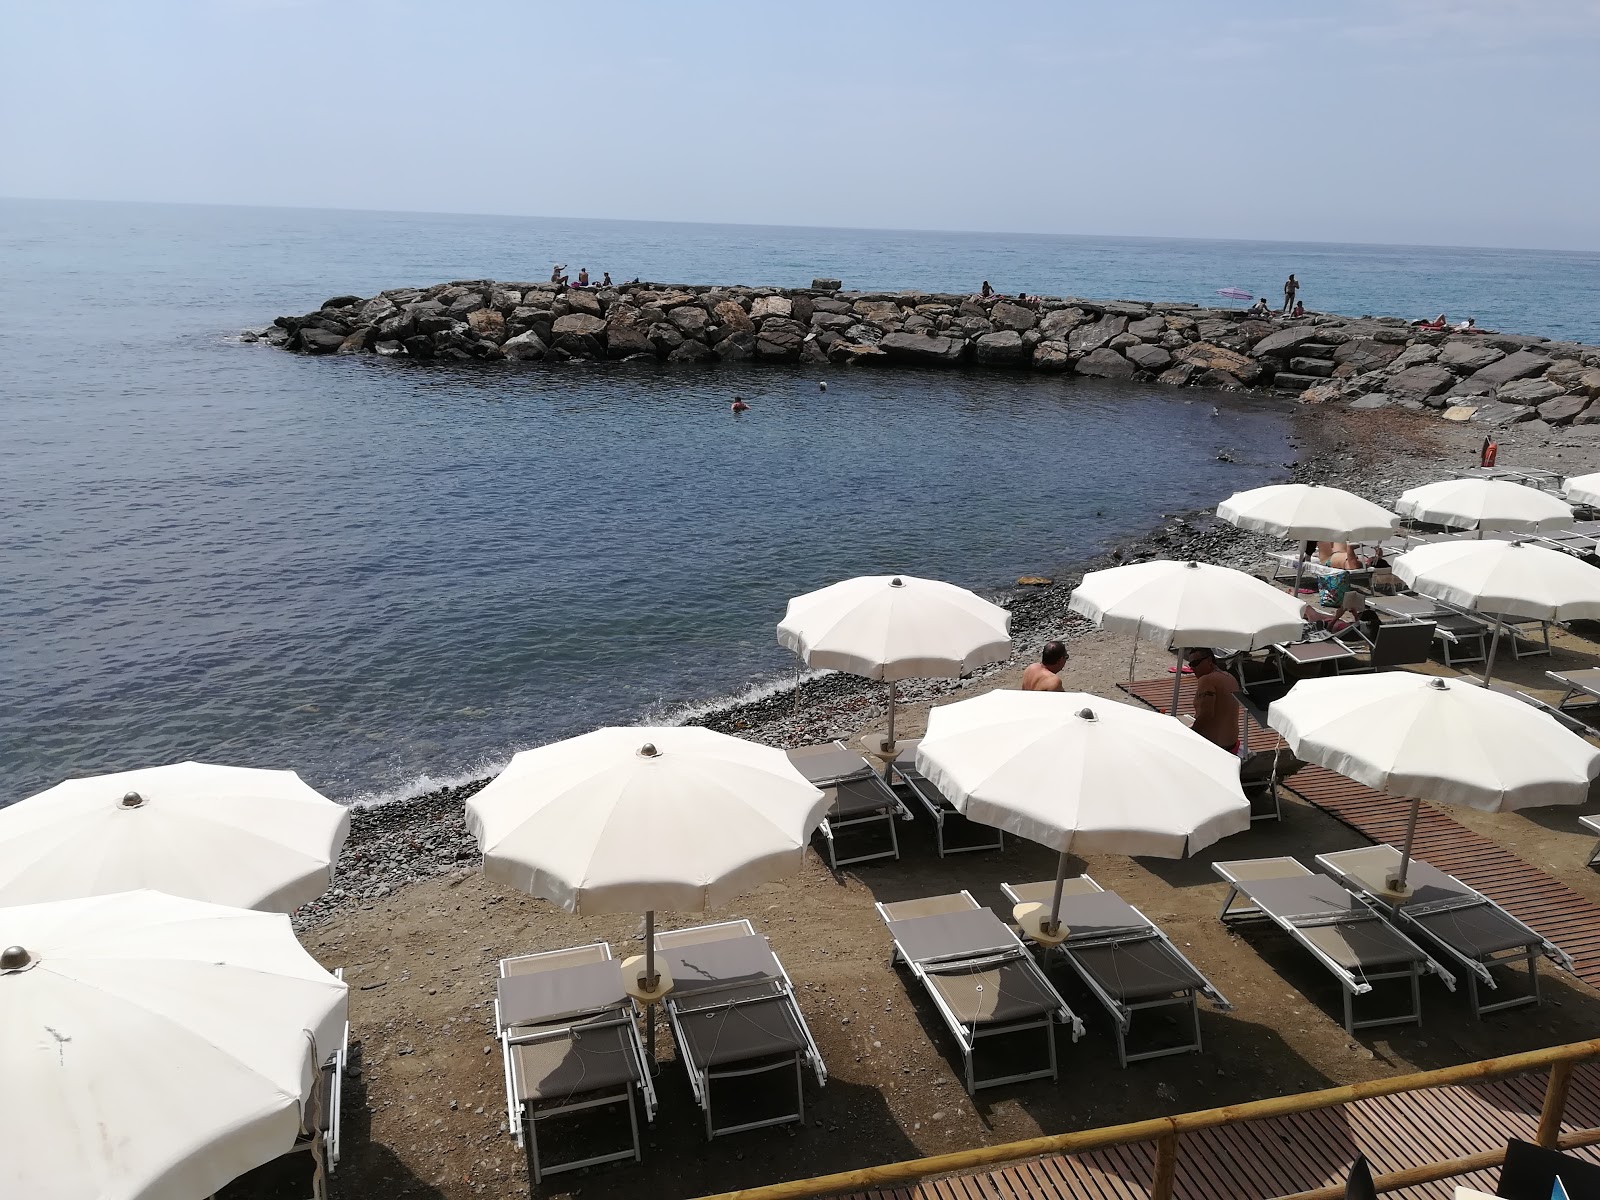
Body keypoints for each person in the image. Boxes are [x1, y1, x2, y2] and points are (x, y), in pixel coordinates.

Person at [1187, 649, 1241, 753]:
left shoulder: (1207, 680)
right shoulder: (1230, 677)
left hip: (1214, 747)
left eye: (1195, 663)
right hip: (1232, 744)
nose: (1192, 668)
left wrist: (1190, 734)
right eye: (1190, 665)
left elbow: (1206, 715)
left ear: (1209, 661)